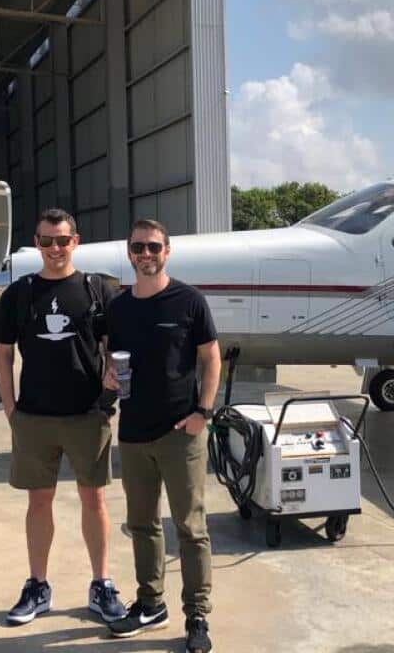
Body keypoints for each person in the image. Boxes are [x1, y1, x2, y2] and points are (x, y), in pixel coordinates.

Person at [0, 208, 127, 626]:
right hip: (34, 416)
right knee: (39, 501)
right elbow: (1, 352)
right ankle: (38, 585)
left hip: (87, 414)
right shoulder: (21, 293)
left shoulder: (97, 289)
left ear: (76, 241)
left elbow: (115, 347)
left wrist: (112, 382)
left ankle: (101, 584)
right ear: (37, 242)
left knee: (94, 498)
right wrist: (11, 409)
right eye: (47, 240)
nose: (55, 248)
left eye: (63, 240)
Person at [103, 219, 221, 653]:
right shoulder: (118, 307)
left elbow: (211, 359)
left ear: (167, 251)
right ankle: (151, 603)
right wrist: (109, 375)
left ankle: (197, 615)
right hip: (133, 432)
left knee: (190, 527)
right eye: (139, 247)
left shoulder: (188, 301)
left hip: (180, 432)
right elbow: (108, 356)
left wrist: (202, 413)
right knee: (142, 524)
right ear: (129, 252)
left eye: (154, 247)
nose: (146, 255)